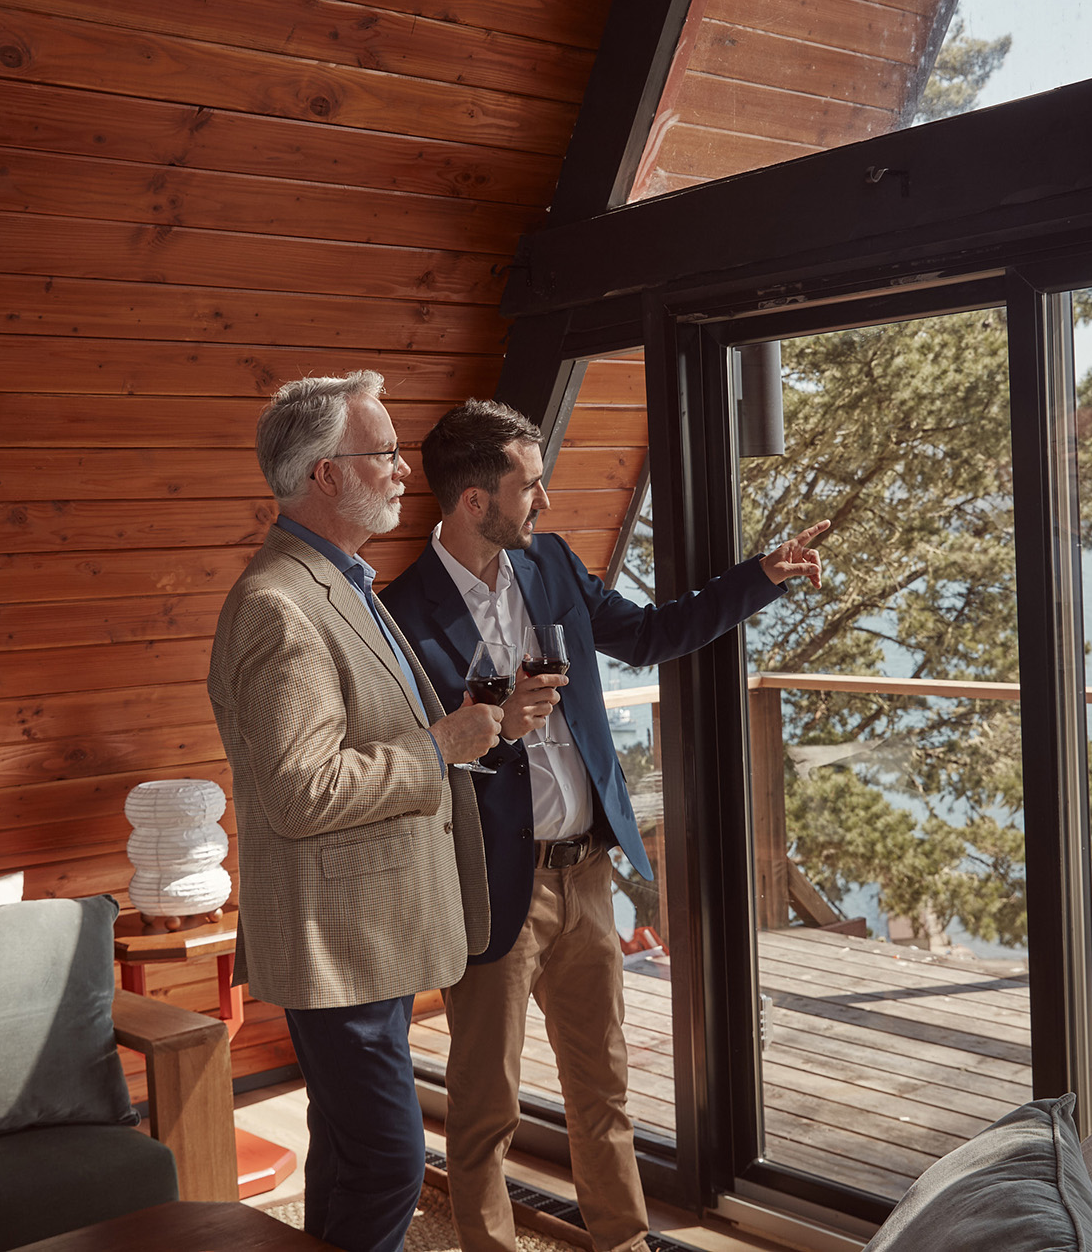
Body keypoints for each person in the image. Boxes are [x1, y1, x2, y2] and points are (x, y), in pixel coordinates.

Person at [381, 399, 827, 1252]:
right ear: (475, 501)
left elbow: (653, 635)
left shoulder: (548, 564)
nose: (544, 502)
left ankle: (625, 1244)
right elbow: (409, 764)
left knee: (604, 1093)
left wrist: (760, 576)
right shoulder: (401, 615)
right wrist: (493, 727)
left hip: (586, 877)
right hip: (487, 890)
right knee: (485, 1108)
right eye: (530, 486)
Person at [207, 372, 504, 1252]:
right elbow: (300, 791)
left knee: (348, 1154)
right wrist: (439, 746)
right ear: (326, 475)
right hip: (335, 939)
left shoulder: (338, 580)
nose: (406, 470)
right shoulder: (279, 605)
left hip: (366, 931)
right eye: (383, 453)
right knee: (388, 1160)